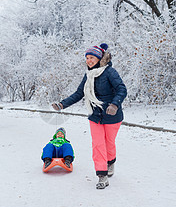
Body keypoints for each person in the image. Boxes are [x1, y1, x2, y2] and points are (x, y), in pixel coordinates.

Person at [52, 43, 127, 189]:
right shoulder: (88, 75)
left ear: (99, 58)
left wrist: (114, 104)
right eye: (87, 58)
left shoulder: (110, 72)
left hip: (112, 115)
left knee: (109, 143)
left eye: (91, 57)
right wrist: (62, 104)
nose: (89, 60)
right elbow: (79, 93)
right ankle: (102, 176)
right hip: (95, 116)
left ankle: (110, 162)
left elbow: (121, 89)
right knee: (98, 145)